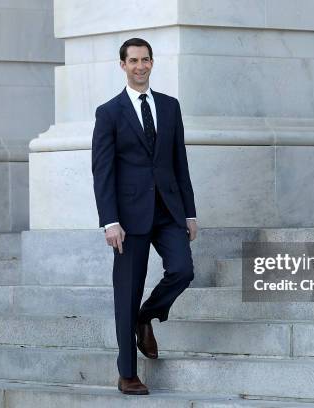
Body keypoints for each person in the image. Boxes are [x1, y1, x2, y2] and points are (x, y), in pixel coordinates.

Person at [91, 38, 198, 395]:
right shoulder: (109, 112)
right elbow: (102, 171)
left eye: (146, 59)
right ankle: (127, 374)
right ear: (122, 65)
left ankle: (146, 315)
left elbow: (179, 162)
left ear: (152, 62)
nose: (140, 66)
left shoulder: (170, 107)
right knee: (127, 293)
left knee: (183, 269)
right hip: (128, 218)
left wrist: (190, 213)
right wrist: (110, 221)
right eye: (133, 60)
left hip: (169, 211)